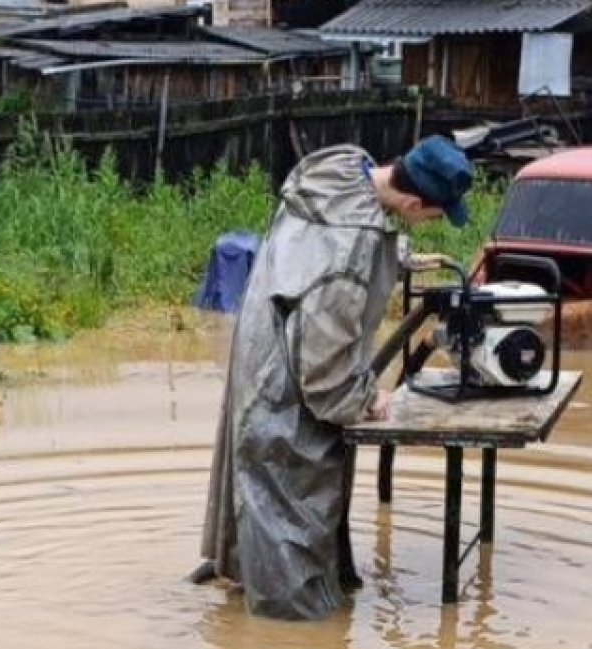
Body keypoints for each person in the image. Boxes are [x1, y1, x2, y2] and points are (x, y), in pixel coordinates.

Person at [192, 136, 475, 621]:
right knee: (291, 553)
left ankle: (253, 606)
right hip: (284, 402)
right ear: (411, 202)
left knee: (262, 521)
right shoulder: (348, 251)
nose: (434, 223)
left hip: (259, 360)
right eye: (434, 214)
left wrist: (395, 254)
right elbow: (324, 374)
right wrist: (369, 399)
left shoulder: (339, 176)